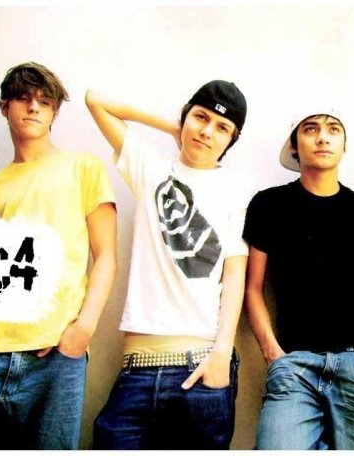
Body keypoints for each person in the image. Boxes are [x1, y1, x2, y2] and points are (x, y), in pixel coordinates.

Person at [85, 80, 251, 450]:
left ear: (231, 140)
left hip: (202, 365)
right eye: (200, 118)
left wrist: (222, 352)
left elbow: (235, 273)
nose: (207, 132)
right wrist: (172, 127)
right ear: (185, 117)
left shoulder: (237, 189)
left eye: (222, 128)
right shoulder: (150, 169)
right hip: (136, 369)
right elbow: (95, 99)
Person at [0, 62, 117, 450]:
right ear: (5, 107)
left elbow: (106, 256)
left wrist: (83, 329)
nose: (33, 107)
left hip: (53, 357)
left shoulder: (83, 168)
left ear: (54, 112)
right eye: (23, 98)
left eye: (44, 101)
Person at [243, 105, 354, 450]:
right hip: (294, 363)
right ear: (295, 145)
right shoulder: (269, 204)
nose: (322, 137)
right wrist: (273, 353)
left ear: (344, 145)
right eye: (310, 129)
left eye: (333, 129)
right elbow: (253, 288)